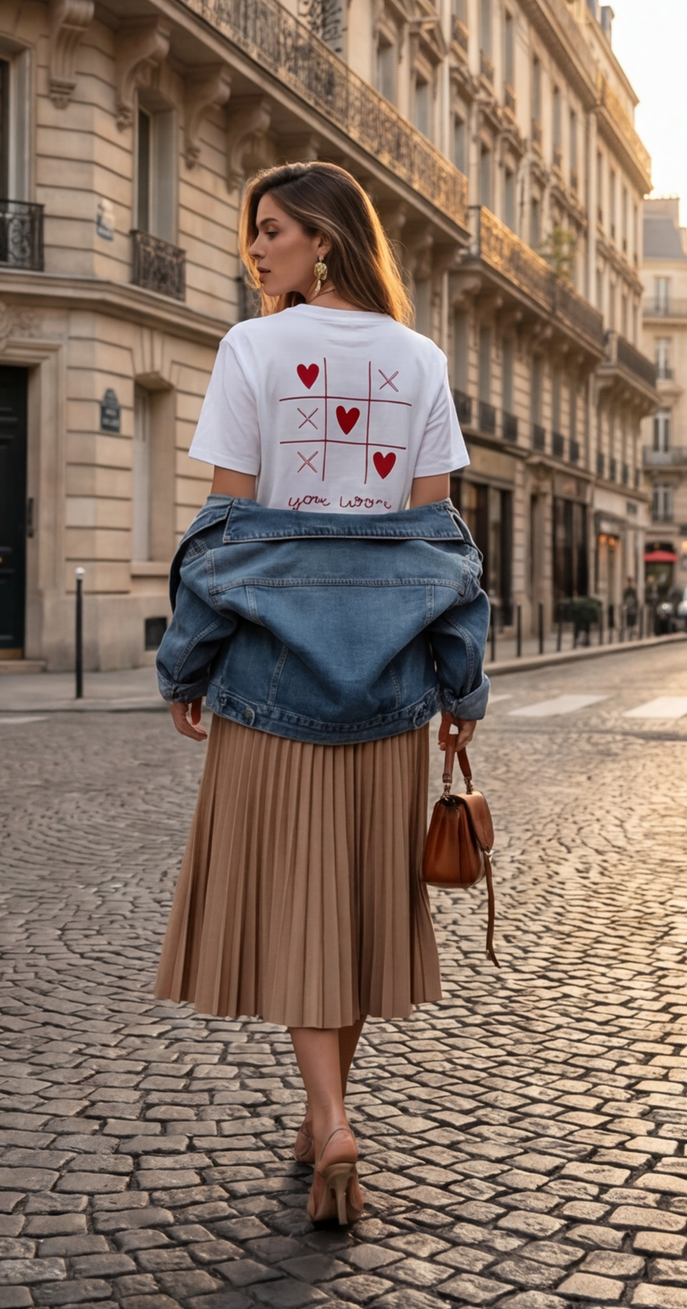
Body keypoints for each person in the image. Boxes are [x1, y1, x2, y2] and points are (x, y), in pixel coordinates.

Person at [153, 162, 489, 1227]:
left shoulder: (253, 349)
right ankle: (323, 1118)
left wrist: (186, 664)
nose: (257, 249)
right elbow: (442, 544)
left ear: (326, 243)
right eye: (256, 233)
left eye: (273, 231)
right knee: (353, 906)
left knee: (298, 908)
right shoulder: (421, 358)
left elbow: (224, 536)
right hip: (389, 685)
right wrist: (460, 684)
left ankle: (333, 1122)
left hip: (271, 678)